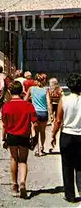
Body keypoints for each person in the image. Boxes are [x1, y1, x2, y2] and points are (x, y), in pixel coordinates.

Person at [1, 81, 38, 199]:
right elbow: (35, 123)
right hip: (24, 136)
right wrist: (35, 136)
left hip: (11, 135)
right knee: (23, 160)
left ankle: (14, 184)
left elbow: (4, 125)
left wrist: (3, 139)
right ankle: (22, 182)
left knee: (13, 158)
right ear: (21, 91)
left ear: (10, 92)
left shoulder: (6, 106)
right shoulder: (28, 105)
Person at [51, 73, 81, 204]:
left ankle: (70, 195)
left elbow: (58, 120)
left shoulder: (64, 99)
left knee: (67, 165)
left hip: (67, 134)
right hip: (80, 134)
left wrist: (53, 134)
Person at [24, 73, 50, 156]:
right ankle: (42, 148)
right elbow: (49, 102)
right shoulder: (46, 90)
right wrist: (52, 114)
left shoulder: (31, 89)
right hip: (44, 112)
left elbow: (25, 100)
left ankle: (37, 149)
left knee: (35, 131)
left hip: (35, 113)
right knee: (42, 131)